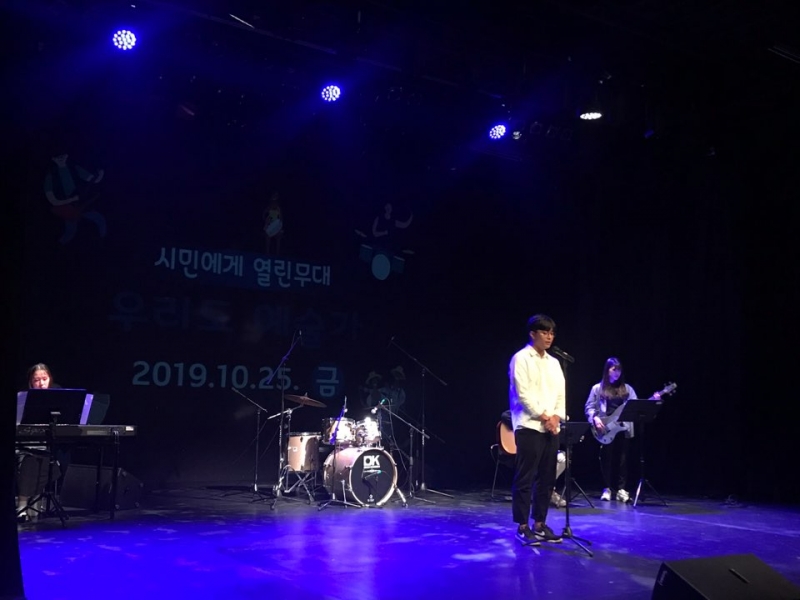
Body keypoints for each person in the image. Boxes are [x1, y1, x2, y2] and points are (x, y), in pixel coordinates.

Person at [509, 314, 566, 545]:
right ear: (533, 334)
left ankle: (540, 523)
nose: (549, 337)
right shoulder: (521, 358)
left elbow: (561, 394)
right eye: (544, 332)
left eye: (552, 333)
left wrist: (556, 417)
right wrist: (544, 416)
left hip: (551, 428)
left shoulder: (554, 362)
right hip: (529, 425)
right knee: (525, 477)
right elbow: (523, 394)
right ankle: (522, 526)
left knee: (547, 478)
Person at [584, 357, 638, 503]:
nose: (617, 373)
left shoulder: (627, 389)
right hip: (605, 428)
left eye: (619, 369)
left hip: (623, 428)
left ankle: (621, 489)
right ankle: (606, 488)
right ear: (607, 370)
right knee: (606, 459)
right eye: (614, 369)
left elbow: (635, 407)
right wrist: (595, 418)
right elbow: (589, 407)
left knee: (623, 460)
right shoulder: (597, 388)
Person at [16, 363, 62, 521]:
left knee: (47, 460)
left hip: (44, 446)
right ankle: (22, 504)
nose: (41, 383)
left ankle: (36, 501)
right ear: (31, 382)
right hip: (23, 445)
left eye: (44, 379)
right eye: (36, 380)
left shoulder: (56, 398)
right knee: (30, 459)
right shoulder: (22, 398)